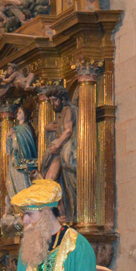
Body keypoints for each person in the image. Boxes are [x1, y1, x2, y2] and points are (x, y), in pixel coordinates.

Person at [12, 179, 97, 271]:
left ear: (47, 214)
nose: (24, 220)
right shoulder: (27, 246)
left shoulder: (77, 246)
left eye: (29, 214)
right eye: (23, 215)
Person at [39, 86, 77, 221]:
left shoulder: (68, 110)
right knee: (48, 181)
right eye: (50, 101)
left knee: (50, 181)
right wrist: (47, 127)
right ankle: (60, 213)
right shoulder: (62, 114)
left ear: (62, 99)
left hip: (64, 150)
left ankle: (62, 214)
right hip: (59, 151)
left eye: (55, 100)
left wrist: (57, 146)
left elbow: (68, 130)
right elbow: (57, 126)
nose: (53, 104)